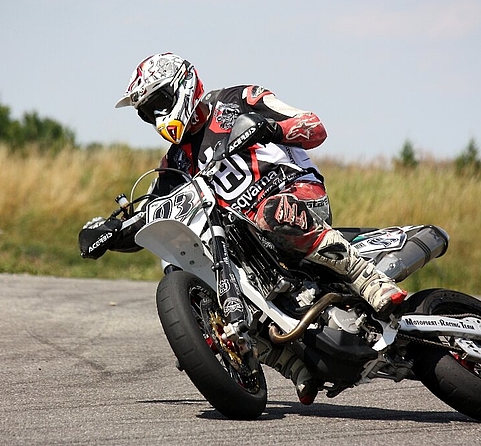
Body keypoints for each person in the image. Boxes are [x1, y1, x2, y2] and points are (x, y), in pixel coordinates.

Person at [80, 53, 407, 405]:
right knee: (186, 265)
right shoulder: (174, 161)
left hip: (295, 196)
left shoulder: (239, 100)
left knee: (270, 213)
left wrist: (270, 128)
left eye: (159, 102)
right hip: (242, 241)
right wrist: (109, 232)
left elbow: (314, 126)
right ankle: (291, 363)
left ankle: (369, 279)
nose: (157, 116)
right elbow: (151, 217)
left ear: (182, 86)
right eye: (148, 112)